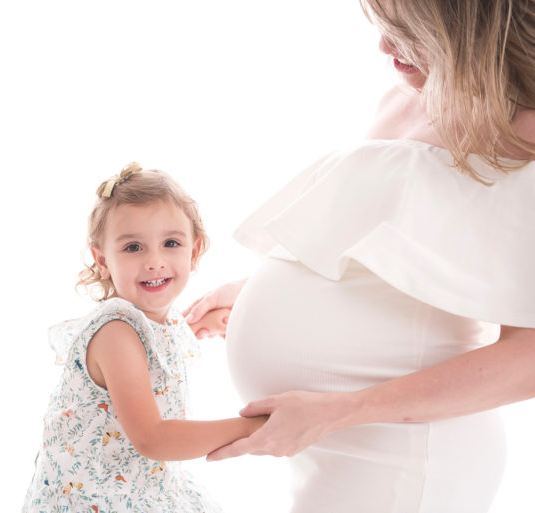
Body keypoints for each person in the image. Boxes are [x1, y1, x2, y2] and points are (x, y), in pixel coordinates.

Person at [184, 0, 535, 511]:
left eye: (406, 31)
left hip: (402, 453)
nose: (384, 47)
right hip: (329, 439)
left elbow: (529, 357)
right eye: (383, 26)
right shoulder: (401, 99)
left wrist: (341, 410)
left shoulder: (524, 137)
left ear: (469, 30)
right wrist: (257, 290)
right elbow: (386, 248)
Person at [22, 163, 266, 513]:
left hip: (141, 488)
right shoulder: (114, 334)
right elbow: (153, 437)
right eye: (133, 247)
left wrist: (199, 325)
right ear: (103, 260)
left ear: (193, 252)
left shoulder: (150, 323)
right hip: (95, 501)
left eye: (170, 243)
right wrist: (253, 427)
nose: (154, 261)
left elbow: (155, 357)